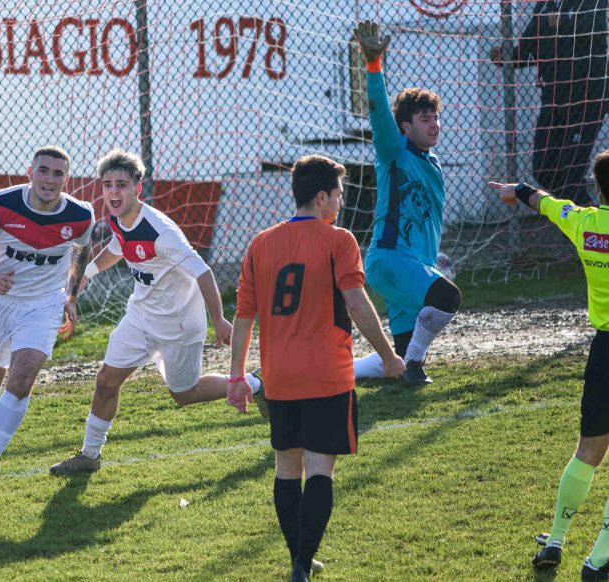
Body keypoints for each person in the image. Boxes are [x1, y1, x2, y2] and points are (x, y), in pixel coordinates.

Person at [227, 155, 405, 582]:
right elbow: (357, 303)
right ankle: (302, 564)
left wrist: (236, 377)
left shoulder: (260, 243)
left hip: (279, 378)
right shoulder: (338, 240)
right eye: (339, 195)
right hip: (327, 376)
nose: (342, 203)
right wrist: (387, 355)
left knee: (287, 467)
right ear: (321, 197)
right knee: (320, 467)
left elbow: (244, 317)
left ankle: (300, 561)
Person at [48, 148, 258, 476]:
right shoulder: (118, 218)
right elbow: (117, 248)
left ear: (137, 188)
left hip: (179, 324)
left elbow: (203, 272)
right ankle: (90, 455)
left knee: (183, 394)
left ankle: (255, 383)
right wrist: (86, 273)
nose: (113, 192)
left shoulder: (161, 232)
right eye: (108, 185)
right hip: (141, 316)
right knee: (106, 381)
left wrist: (217, 319)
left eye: (121, 185)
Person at [490, 150, 609, 580]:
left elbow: (545, 202)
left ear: (599, 190)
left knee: (588, 451)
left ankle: (556, 538)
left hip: (604, 352)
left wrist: (516, 190)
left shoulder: (585, 222)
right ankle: (599, 560)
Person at [0, 145, 95, 505]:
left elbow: (82, 249)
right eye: (43, 171)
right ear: (30, 172)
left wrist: (71, 295)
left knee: (21, 379)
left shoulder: (81, 215)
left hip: (43, 305)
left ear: (66, 179)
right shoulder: (1, 204)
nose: (50, 179)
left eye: (58, 173)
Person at [351, 20, 462, 386]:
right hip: (389, 260)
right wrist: (373, 66)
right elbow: (380, 115)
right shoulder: (393, 151)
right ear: (405, 127)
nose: (435, 124)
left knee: (394, 358)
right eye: (425, 119)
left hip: (411, 264)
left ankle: (332, 373)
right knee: (446, 296)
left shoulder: (432, 161)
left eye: (436, 118)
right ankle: (415, 366)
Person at [491, 0, 608, 203]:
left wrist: (563, 21)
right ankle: (579, 213)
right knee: (543, 170)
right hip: (553, 102)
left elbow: (595, 29)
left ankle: (586, 218)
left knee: (571, 175)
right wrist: (505, 57)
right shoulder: (544, 5)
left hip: (586, 102)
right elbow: (527, 48)